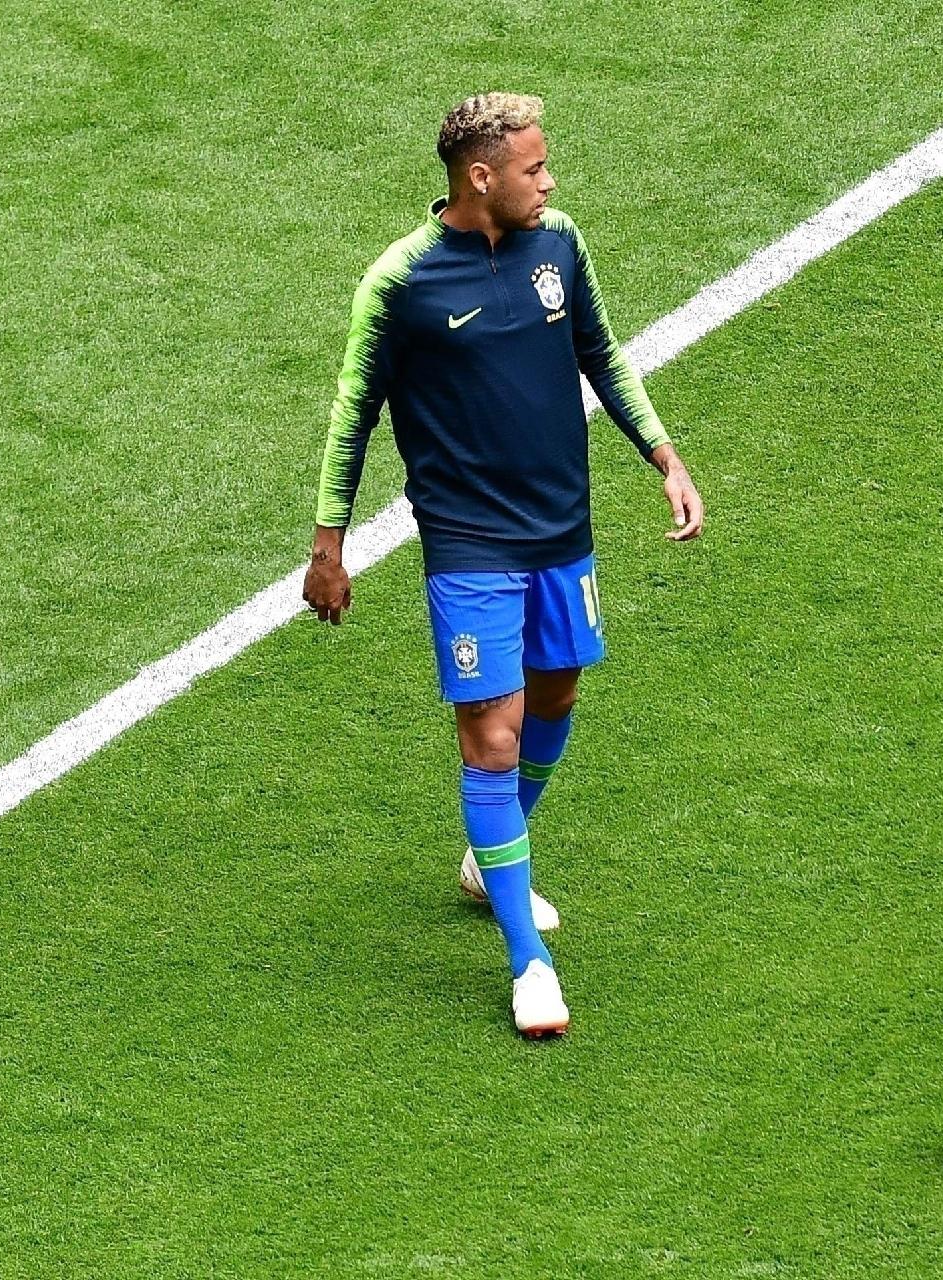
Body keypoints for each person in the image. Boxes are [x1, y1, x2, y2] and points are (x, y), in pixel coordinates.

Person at [301, 92, 704, 1037]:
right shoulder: (400, 282)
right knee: (492, 735)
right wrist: (329, 544)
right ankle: (531, 962)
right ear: (480, 177)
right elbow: (351, 413)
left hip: (562, 529)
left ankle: (492, 861)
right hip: (468, 544)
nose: (548, 180)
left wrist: (665, 457)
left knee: (556, 698)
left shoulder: (559, 242)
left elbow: (600, 353)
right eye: (532, 167)